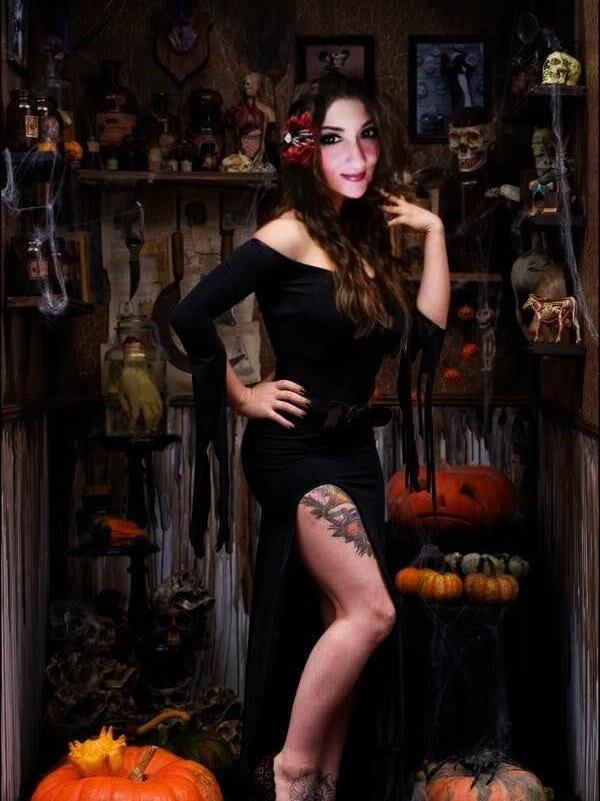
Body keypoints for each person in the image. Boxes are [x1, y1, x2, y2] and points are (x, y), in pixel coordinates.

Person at [170, 74, 450, 801]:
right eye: (333, 139)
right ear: (306, 150)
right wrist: (243, 396)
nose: (355, 155)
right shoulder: (288, 231)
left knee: (342, 620)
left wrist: (434, 232)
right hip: (293, 450)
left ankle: (321, 786)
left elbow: (426, 333)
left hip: (354, 453)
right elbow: (191, 314)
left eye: (366, 136)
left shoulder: (369, 243)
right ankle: (291, 769)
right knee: (374, 611)